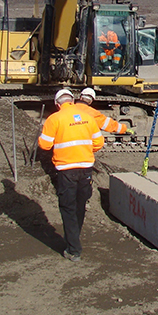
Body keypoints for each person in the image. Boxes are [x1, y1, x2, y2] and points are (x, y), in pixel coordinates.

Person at [38, 88, 104, 261]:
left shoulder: (54, 119)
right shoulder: (88, 118)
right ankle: (75, 237)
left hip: (67, 170)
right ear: (73, 101)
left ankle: (74, 249)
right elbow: (99, 142)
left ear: (57, 103)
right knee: (80, 204)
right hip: (86, 169)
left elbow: (44, 146)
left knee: (67, 207)